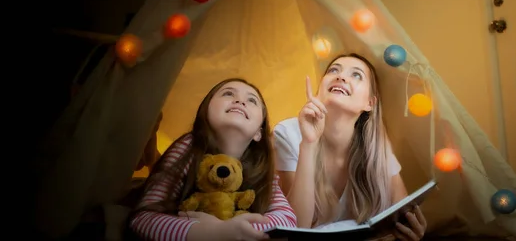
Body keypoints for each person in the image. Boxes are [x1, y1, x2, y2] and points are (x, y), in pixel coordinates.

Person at [273, 53, 427, 241]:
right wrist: (309, 144)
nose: (341, 76)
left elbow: (400, 216)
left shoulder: (377, 148)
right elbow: (295, 229)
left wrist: (411, 233)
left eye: (356, 75)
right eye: (333, 70)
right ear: (319, 90)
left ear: (369, 103)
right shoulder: (288, 133)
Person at [129, 78, 297, 241]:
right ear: (205, 112)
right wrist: (212, 232)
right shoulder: (187, 148)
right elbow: (143, 218)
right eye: (228, 94)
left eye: (252, 100)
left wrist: (236, 230)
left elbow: (287, 219)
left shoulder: (261, 167)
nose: (240, 101)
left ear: (258, 133)